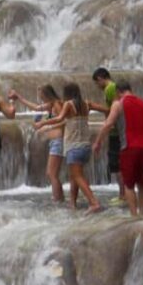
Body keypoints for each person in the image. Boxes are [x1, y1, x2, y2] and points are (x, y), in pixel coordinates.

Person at [93, 80, 143, 217]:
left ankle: (134, 215)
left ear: (118, 92)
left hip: (129, 147)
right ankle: (142, 213)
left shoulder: (118, 104)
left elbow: (108, 124)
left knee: (128, 184)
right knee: (142, 183)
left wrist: (98, 142)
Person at [37, 83, 102, 213]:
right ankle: (73, 204)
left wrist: (44, 123)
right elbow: (106, 109)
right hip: (86, 146)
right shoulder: (86, 104)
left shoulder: (68, 104)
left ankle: (94, 203)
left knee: (77, 176)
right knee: (74, 176)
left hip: (74, 146)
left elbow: (60, 118)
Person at [9, 85, 65, 202]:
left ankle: (57, 199)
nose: (41, 99)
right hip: (54, 142)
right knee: (52, 174)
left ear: (47, 95)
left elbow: (64, 121)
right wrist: (19, 97)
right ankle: (59, 198)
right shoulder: (51, 105)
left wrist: (46, 126)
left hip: (58, 141)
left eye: (42, 96)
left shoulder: (58, 104)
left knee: (51, 173)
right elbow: (35, 107)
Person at [89, 68, 124, 202]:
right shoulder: (114, 87)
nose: (97, 87)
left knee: (116, 164)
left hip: (116, 131)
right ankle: (123, 194)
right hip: (117, 130)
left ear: (100, 79)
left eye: (96, 83)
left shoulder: (110, 88)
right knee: (117, 164)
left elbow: (112, 110)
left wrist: (94, 107)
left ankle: (123, 195)